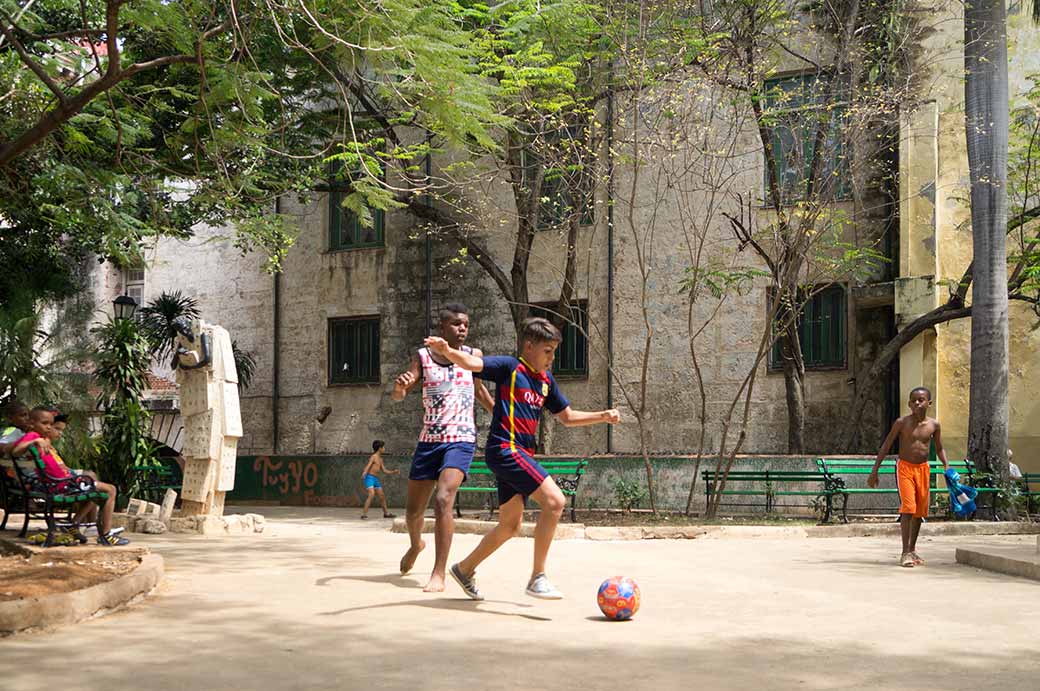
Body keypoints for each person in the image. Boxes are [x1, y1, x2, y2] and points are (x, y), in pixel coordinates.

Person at [426, 317, 620, 600]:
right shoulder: (509, 367)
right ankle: (537, 577)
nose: (551, 358)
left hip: (520, 454)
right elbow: (471, 364)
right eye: (547, 351)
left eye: (554, 351)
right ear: (529, 346)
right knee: (555, 501)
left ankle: (465, 569)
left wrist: (601, 416)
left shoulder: (545, 381)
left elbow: (566, 417)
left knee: (510, 525)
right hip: (505, 449)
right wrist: (447, 351)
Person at [391, 303, 495, 592]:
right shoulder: (423, 356)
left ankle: (439, 573)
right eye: (457, 324)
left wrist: (505, 418)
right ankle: (416, 545)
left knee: (443, 499)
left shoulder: (473, 356)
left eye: (466, 324)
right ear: (442, 327)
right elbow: (401, 393)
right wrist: (400, 387)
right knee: (413, 513)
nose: (463, 328)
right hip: (429, 441)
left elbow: (481, 391)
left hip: (461, 439)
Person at [10, 407, 129, 546]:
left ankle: (74, 523)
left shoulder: (41, 438)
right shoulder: (33, 437)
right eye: (44, 423)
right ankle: (107, 534)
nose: (48, 427)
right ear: (31, 423)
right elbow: (15, 451)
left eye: (50, 423)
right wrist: (34, 442)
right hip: (62, 485)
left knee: (94, 491)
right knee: (111, 490)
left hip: (62, 483)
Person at [869, 387, 948, 567]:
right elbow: (886, 446)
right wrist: (875, 471)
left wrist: (947, 465)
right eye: (913, 400)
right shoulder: (901, 423)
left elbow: (940, 447)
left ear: (929, 403)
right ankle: (904, 552)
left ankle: (912, 549)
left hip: (923, 469)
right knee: (908, 507)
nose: (917, 403)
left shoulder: (934, 425)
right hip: (905, 468)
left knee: (919, 511)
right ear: (909, 404)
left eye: (921, 400)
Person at [360, 440, 399, 520]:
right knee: (371, 494)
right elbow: (369, 465)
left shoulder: (380, 459)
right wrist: (364, 472)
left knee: (382, 496)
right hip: (369, 477)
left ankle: (386, 514)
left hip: (375, 479)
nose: (384, 448)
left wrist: (393, 472)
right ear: (379, 448)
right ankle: (364, 514)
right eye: (383, 447)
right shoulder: (373, 457)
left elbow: (384, 470)